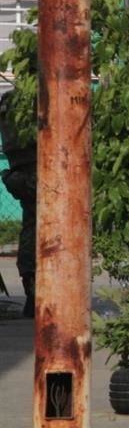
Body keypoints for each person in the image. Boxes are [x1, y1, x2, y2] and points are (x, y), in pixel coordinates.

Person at [0, 90, 37, 318]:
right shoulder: (39, 96)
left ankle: (32, 293)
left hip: (22, 174)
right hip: (39, 171)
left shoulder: (9, 100)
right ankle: (37, 294)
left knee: (31, 229)